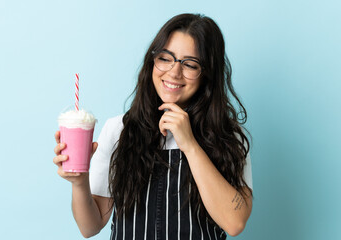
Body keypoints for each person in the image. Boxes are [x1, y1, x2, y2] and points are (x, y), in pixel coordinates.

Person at [53, 13, 253, 240]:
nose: (174, 72)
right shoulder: (118, 130)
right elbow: (90, 227)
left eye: (190, 64)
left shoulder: (228, 137)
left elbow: (235, 223)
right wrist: (80, 182)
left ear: (206, 75)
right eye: (166, 58)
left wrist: (190, 144)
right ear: (152, 61)